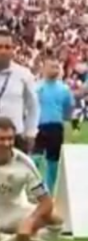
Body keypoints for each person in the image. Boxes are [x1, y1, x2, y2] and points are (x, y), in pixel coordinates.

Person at [35, 58, 74, 192]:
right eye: (52, 67)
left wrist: (70, 130)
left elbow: (69, 111)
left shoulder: (64, 89)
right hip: (37, 127)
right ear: (44, 69)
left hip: (56, 128)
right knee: (34, 159)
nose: (55, 70)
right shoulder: (37, 88)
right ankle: (32, 188)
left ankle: (48, 191)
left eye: (57, 67)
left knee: (53, 161)